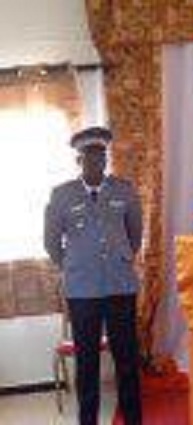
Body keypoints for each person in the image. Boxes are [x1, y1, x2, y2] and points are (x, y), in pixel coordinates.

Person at [44, 126, 143, 425]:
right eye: (90, 156)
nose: (97, 162)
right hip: (82, 290)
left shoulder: (124, 190)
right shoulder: (62, 195)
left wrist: (121, 258)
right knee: (87, 363)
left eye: (101, 156)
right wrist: (74, 265)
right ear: (79, 160)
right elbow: (51, 242)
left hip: (120, 286)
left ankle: (134, 420)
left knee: (127, 359)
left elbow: (135, 234)